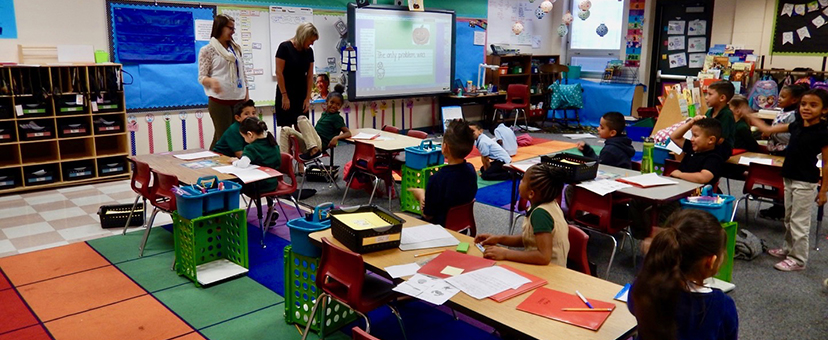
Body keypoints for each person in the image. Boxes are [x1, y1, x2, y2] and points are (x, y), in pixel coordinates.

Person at [748, 89, 828, 272]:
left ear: (824, 110)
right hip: (789, 176)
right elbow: (768, 130)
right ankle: (788, 249)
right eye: (803, 104)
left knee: (800, 221)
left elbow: (827, 163)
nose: (806, 108)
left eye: (813, 105)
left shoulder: (823, 133)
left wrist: (823, 190)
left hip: (805, 181)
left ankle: (798, 259)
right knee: (789, 217)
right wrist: (749, 115)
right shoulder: (796, 125)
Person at [629, 209, 738, 340]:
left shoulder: (644, 288)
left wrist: (653, 258)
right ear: (711, 261)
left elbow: (634, 306)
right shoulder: (722, 305)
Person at [630, 118, 725, 240]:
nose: (691, 139)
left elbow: (704, 177)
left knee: (657, 213)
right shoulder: (692, 148)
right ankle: (643, 235)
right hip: (676, 188)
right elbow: (674, 136)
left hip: (692, 196)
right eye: (691, 135)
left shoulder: (714, 157)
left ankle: (660, 242)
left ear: (711, 140)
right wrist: (690, 123)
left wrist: (680, 174)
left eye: (695, 136)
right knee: (637, 200)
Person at [474, 164, 570, 266]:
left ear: (531, 194)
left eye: (523, 180)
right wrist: (499, 239)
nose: (520, 182)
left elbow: (544, 257)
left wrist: (506, 253)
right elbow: (529, 239)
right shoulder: (550, 204)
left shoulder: (540, 214)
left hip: (549, 272)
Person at [407, 120, 477, 227]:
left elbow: (428, 216)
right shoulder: (471, 170)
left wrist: (421, 195)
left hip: (439, 229)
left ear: (445, 147)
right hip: (461, 226)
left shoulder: (437, 179)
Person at [198, 14, 249, 149]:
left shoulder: (235, 49)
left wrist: (246, 94)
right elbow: (201, 77)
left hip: (238, 99)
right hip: (219, 101)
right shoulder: (207, 50)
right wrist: (212, 81)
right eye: (230, 28)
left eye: (234, 28)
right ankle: (222, 167)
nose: (233, 32)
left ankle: (210, 161)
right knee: (225, 139)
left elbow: (242, 73)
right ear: (220, 28)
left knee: (231, 136)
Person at [761, 84, 807, 220]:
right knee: (775, 180)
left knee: (783, 182)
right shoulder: (782, 111)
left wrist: (772, 133)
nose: (779, 99)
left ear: (794, 100)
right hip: (775, 150)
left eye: (783, 97)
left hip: (785, 151)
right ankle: (777, 207)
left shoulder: (795, 116)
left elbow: (789, 135)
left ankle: (782, 209)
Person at [279, 85, 352, 161]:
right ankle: (283, 160)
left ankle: (314, 150)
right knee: (285, 129)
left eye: (338, 104)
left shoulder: (337, 118)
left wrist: (336, 138)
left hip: (318, 145)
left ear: (340, 106)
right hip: (310, 143)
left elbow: (348, 133)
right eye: (332, 102)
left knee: (301, 118)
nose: (334, 106)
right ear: (327, 102)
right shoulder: (324, 114)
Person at [274, 22, 318, 127]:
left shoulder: (309, 51)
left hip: (301, 93)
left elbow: (310, 76)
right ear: (304, 37)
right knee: (287, 129)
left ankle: (302, 144)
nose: (312, 44)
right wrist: (284, 96)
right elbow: (279, 73)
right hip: (286, 91)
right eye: (311, 40)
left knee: (302, 127)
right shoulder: (284, 47)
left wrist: (307, 98)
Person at [235, 117, 281, 194]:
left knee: (234, 185)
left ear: (250, 134)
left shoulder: (251, 148)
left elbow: (242, 164)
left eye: (244, 137)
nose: (244, 140)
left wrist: (235, 162)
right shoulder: (273, 143)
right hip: (273, 183)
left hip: (258, 185)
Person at [705, 81, 736, 148]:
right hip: (709, 145)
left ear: (722, 98)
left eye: (710, 94)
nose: (706, 97)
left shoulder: (727, 115)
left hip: (721, 149)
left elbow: (720, 139)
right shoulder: (709, 112)